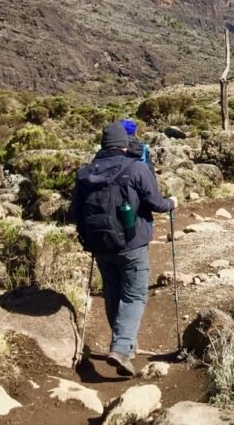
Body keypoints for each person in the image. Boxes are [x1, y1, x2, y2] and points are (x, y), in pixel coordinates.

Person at [69, 122, 176, 376]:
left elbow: (72, 212)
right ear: (125, 144)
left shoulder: (86, 173)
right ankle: (121, 348)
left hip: (99, 245)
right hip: (131, 243)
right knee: (135, 295)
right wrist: (172, 202)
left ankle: (126, 345)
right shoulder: (136, 168)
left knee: (113, 293)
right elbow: (155, 203)